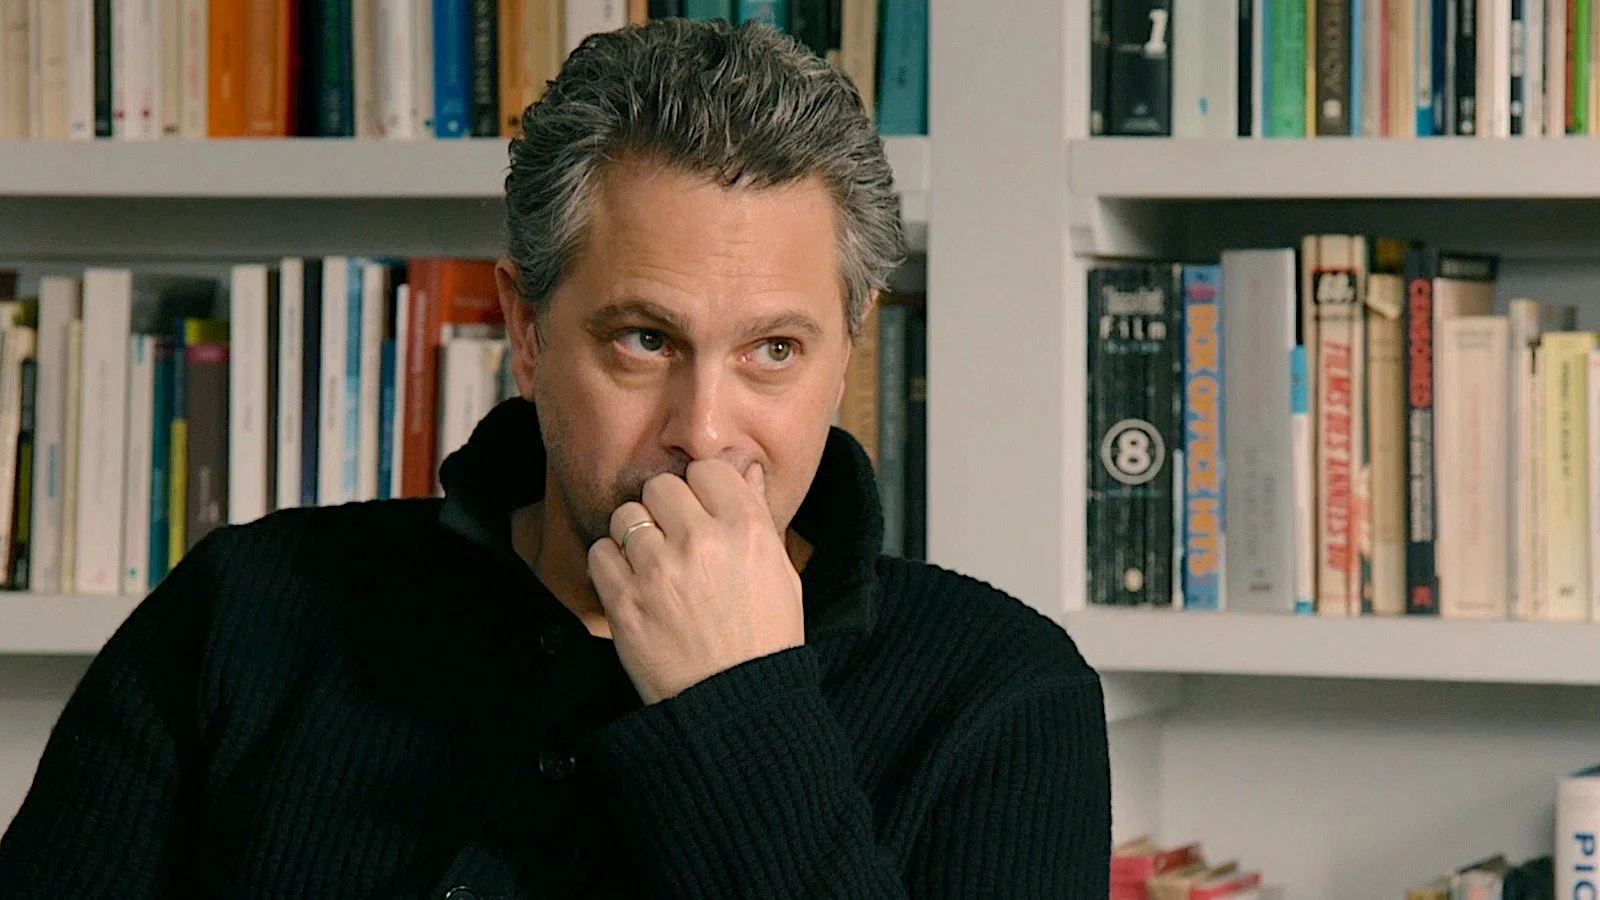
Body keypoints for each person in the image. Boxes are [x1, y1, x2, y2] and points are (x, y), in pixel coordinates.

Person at [0, 17, 1110, 898]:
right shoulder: (244, 612)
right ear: (527, 332)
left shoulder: (1001, 694)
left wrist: (736, 703)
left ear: (845, 355)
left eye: (774, 349)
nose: (706, 429)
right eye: (644, 340)